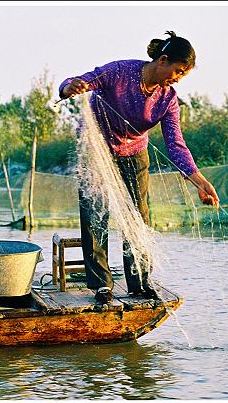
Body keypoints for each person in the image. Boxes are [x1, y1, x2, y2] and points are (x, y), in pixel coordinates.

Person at [59, 31, 219, 303]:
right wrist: (68, 87)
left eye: (183, 75)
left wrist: (199, 180)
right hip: (96, 150)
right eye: (178, 71)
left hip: (134, 153)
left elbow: (176, 144)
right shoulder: (121, 72)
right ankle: (101, 286)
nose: (177, 78)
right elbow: (80, 81)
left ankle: (140, 283)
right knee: (95, 216)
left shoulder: (168, 99)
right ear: (163, 60)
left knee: (140, 218)